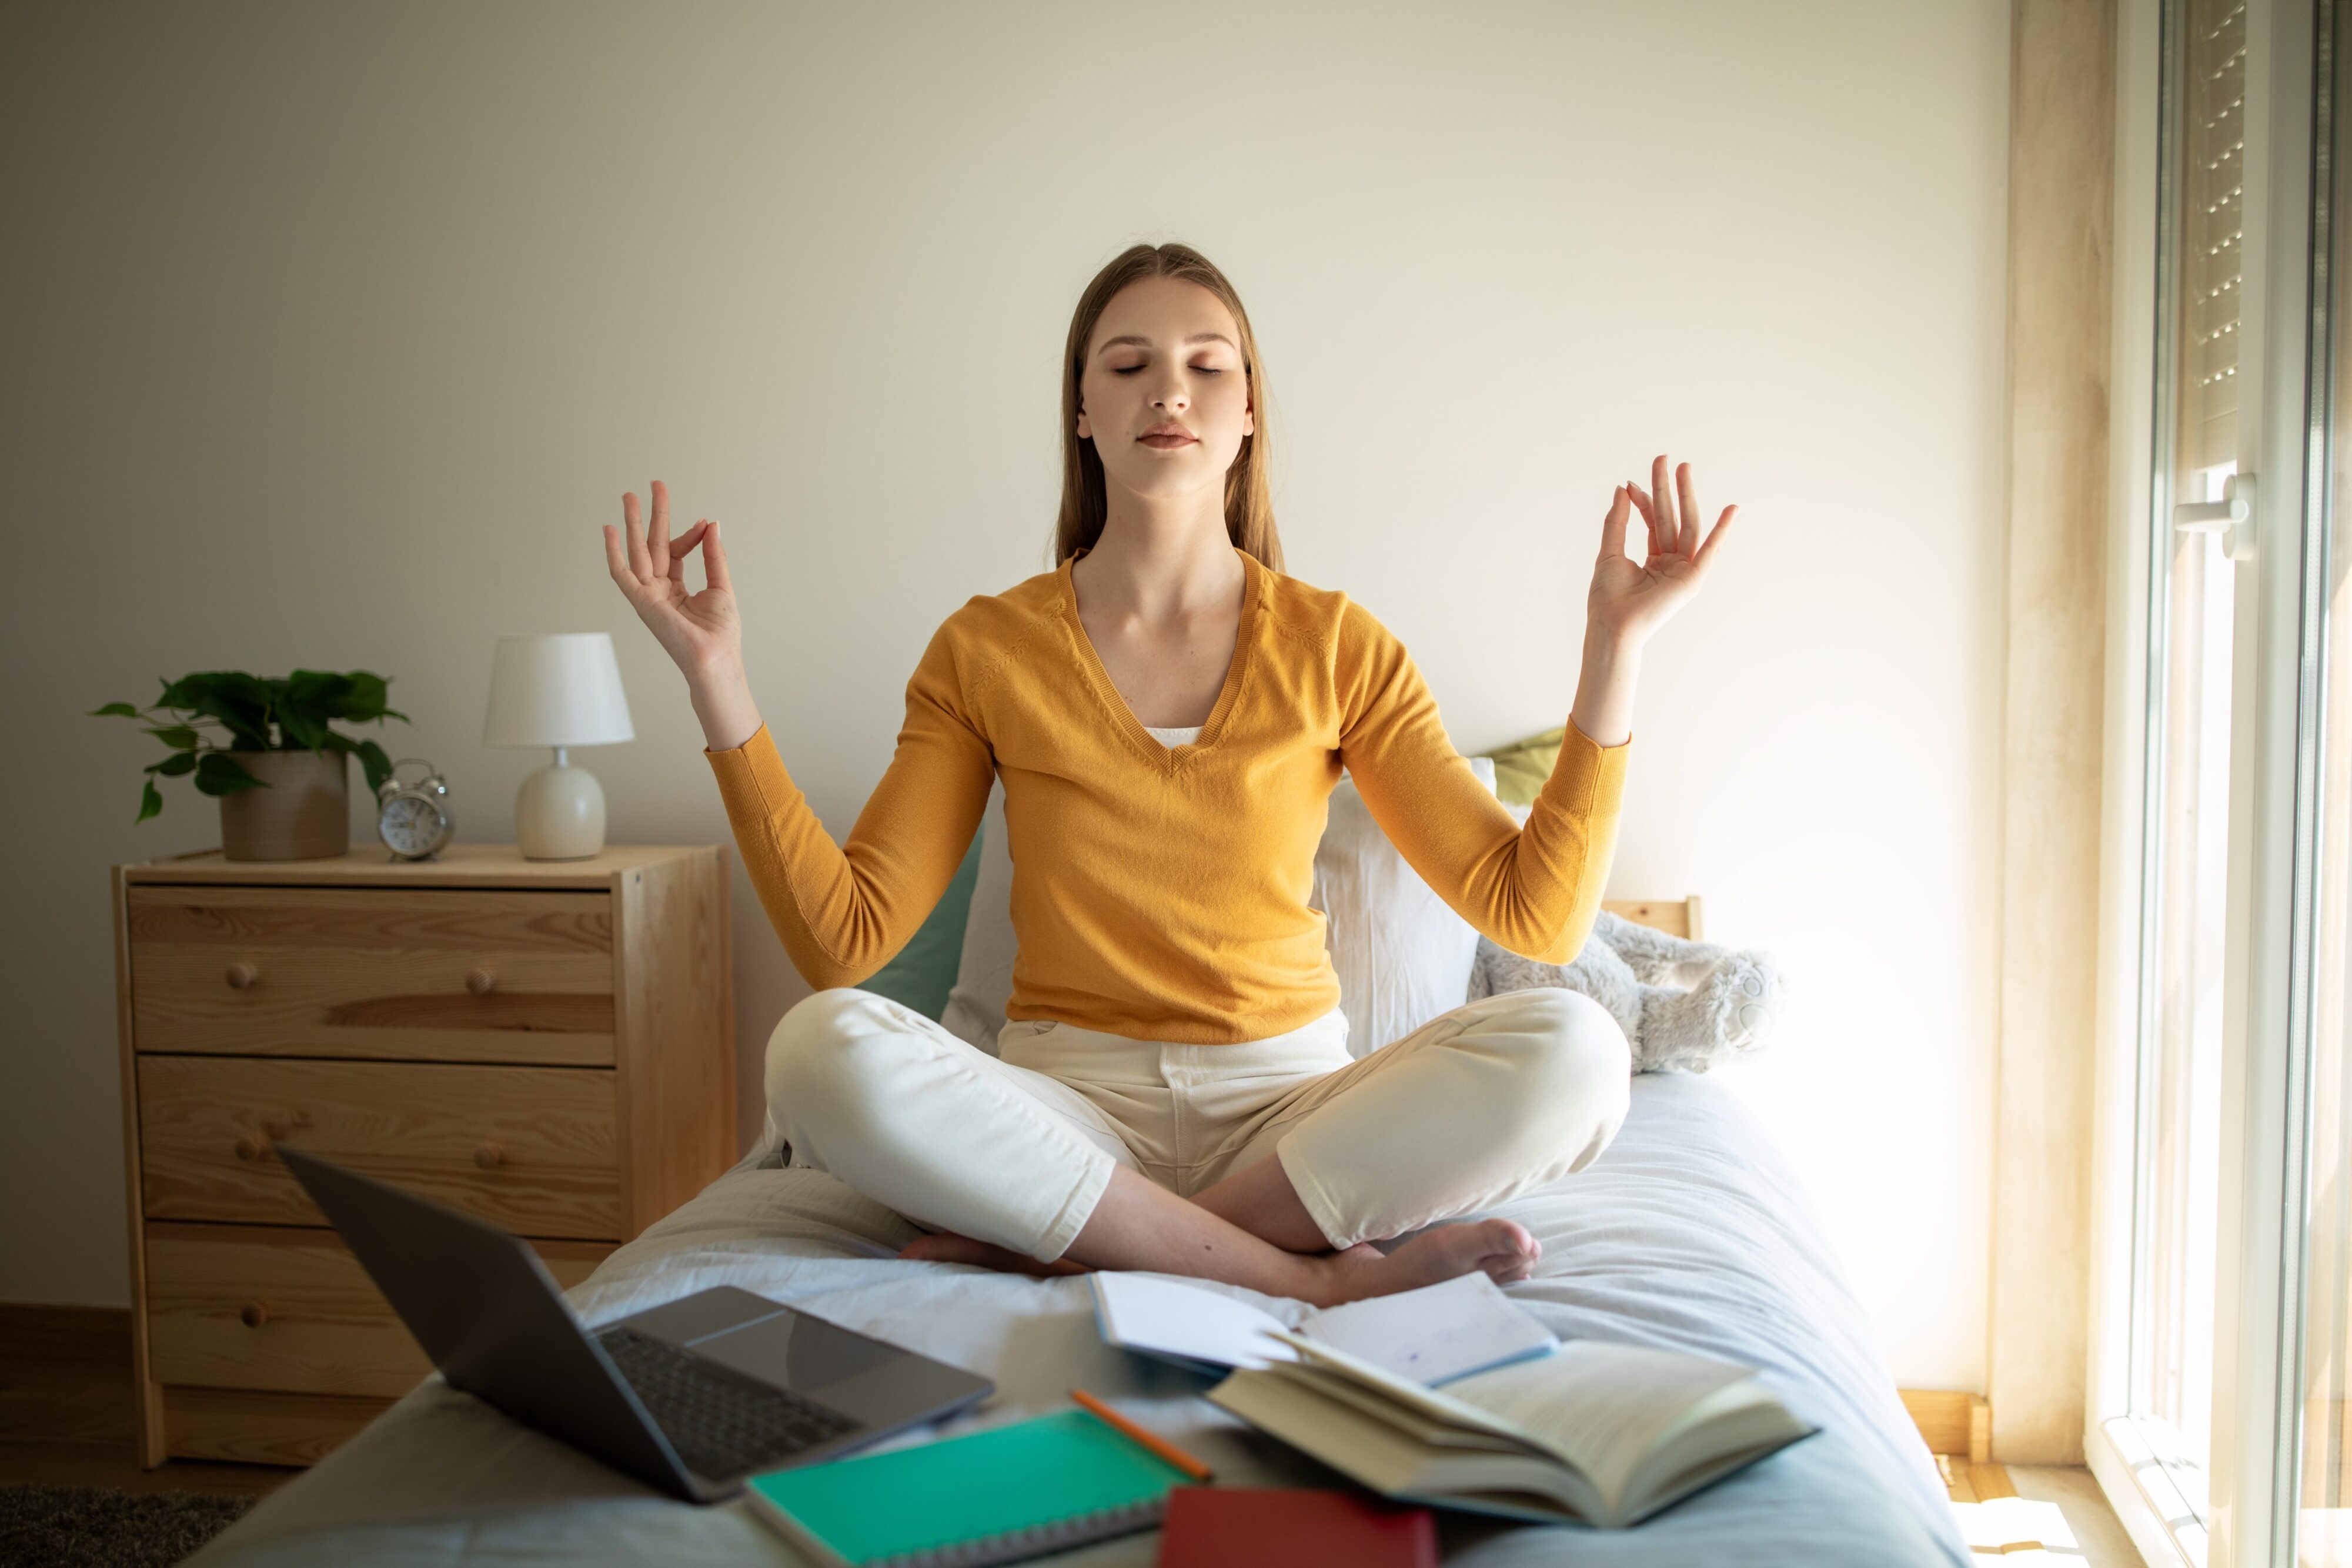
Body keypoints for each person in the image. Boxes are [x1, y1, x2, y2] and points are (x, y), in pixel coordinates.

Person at [604, 242, 1735, 1306]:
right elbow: (844, 941)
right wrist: (718, 678)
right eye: (1129, 364)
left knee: (1578, 1048)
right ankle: (1295, 1278)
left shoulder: (1338, 646)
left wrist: (1614, 648)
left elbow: (1531, 916)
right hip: (1063, 1111)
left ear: (1247, 416)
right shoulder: (987, 649)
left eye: (1207, 365)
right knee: (816, 1048)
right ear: (1083, 413)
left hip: (1289, 1113)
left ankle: (1085, 1242)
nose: (1170, 392)